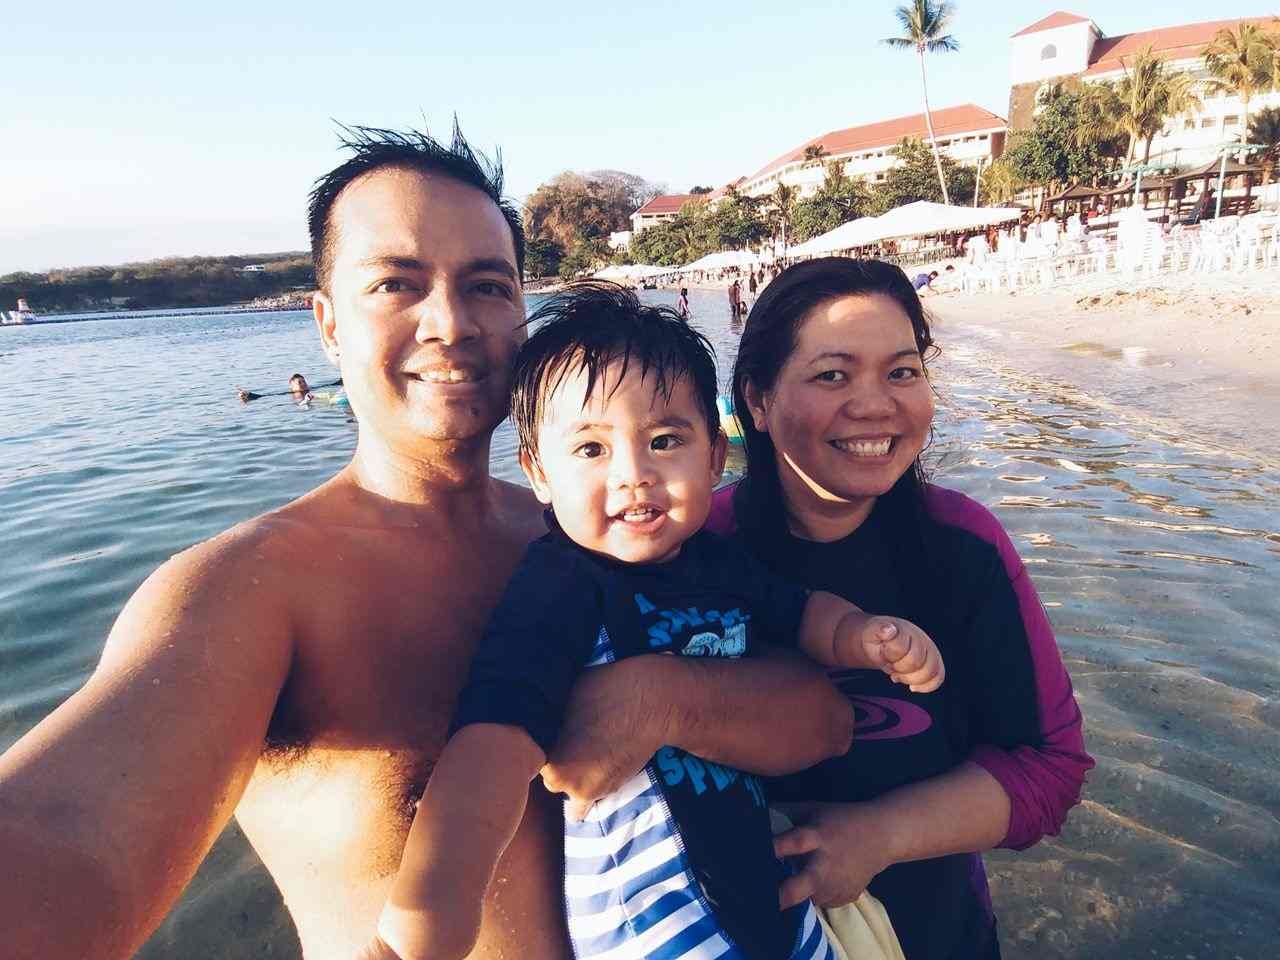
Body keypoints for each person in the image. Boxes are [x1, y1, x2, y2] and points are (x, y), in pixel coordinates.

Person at [0, 127, 853, 960]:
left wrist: (669, 698)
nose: (450, 321)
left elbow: (823, 721)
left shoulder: (607, 533)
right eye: (396, 284)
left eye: (487, 284)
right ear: (328, 322)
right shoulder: (250, 591)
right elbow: (66, 833)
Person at [367, 284, 943, 960]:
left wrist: (864, 634)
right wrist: (433, 910)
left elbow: (800, 611)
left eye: (665, 440)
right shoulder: (560, 585)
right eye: (590, 449)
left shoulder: (718, 562)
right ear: (538, 474)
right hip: (652, 929)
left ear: (713, 457)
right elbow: (493, 744)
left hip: (770, 907)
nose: (634, 475)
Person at [706, 258, 1094, 960]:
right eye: (833, 374)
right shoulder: (696, 546)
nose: (876, 404)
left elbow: (1049, 768)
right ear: (756, 403)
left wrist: (877, 835)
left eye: (902, 370)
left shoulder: (963, 545)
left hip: (937, 933)